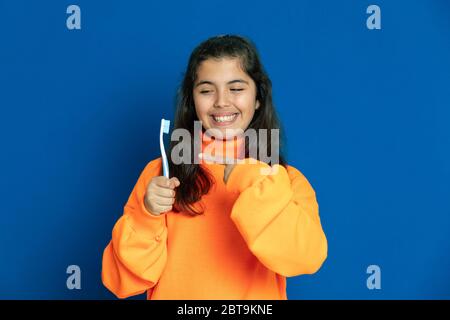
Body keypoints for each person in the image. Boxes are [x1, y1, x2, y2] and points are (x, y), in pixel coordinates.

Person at [101, 34, 327, 300]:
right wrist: (147, 215)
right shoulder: (161, 175)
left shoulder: (284, 179)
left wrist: (254, 181)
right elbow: (122, 282)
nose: (221, 101)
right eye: (207, 90)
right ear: (192, 101)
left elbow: (305, 258)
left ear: (258, 98)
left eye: (236, 88)